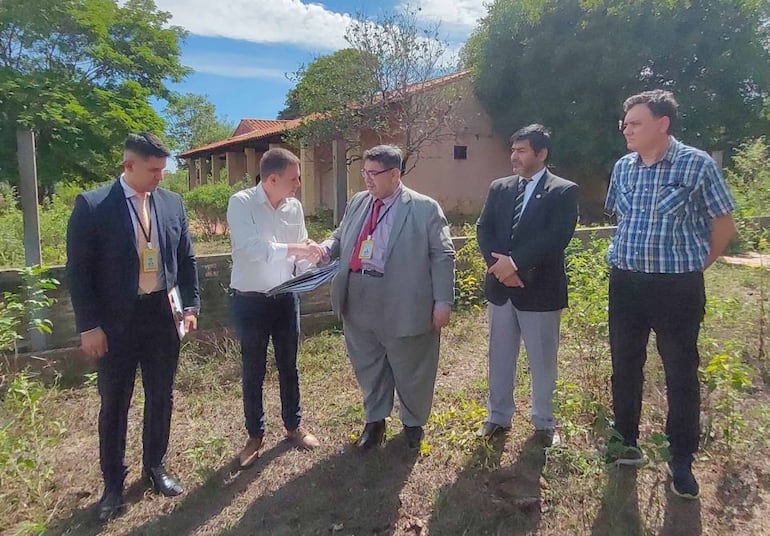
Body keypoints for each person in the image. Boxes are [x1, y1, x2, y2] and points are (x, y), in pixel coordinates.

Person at [605, 90, 737, 499]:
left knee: (680, 373)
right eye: (625, 123)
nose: (626, 128)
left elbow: (724, 225)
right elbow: (620, 218)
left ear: (662, 124)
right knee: (625, 365)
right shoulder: (624, 167)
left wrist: (698, 266)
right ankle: (626, 442)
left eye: (636, 122)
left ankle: (681, 459)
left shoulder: (696, 165)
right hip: (625, 282)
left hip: (676, 286)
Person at [66, 132, 200, 521]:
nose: (161, 176)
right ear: (129, 166)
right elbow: (79, 272)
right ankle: (113, 484)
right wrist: (89, 325)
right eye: (154, 170)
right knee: (114, 404)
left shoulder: (172, 203)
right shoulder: (93, 206)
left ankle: (155, 466)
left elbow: (186, 259)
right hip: (115, 323)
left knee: (162, 395)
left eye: (164, 169)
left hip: (162, 316)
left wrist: (190, 306)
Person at [322, 144, 455, 449]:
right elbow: (341, 236)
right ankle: (375, 421)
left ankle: (413, 423)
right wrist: (326, 247)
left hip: (404, 297)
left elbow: (443, 255)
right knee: (368, 364)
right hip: (357, 295)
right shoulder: (358, 202)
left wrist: (443, 301)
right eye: (364, 172)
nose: (366, 179)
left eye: (373, 173)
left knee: (412, 366)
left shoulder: (424, 208)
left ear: (395, 174)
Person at [476, 124, 579, 447]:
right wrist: (500, 268)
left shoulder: (563, 191)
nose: (514, 157)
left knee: (542, 359)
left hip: (540, 289)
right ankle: (498, 416)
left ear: (541, 153)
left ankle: (545, 421)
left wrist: (515, 263)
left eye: (521, 151)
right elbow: (484, 229)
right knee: (500, 355)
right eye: (513, 150)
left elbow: (556, 237)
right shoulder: (500, 188)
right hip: (502, 288)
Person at [227, 148, 324, 469]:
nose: (298, 184)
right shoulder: (241, 203)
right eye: (293, 179)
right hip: (250, 301)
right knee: (253, 369)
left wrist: (309, 258)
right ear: (272, 179)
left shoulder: (293, 207)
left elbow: (297, 250)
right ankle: (255, 435)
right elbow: (252, 249)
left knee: (289, 365)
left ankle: (293, 426)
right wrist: (296, 248)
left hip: (286, 298)